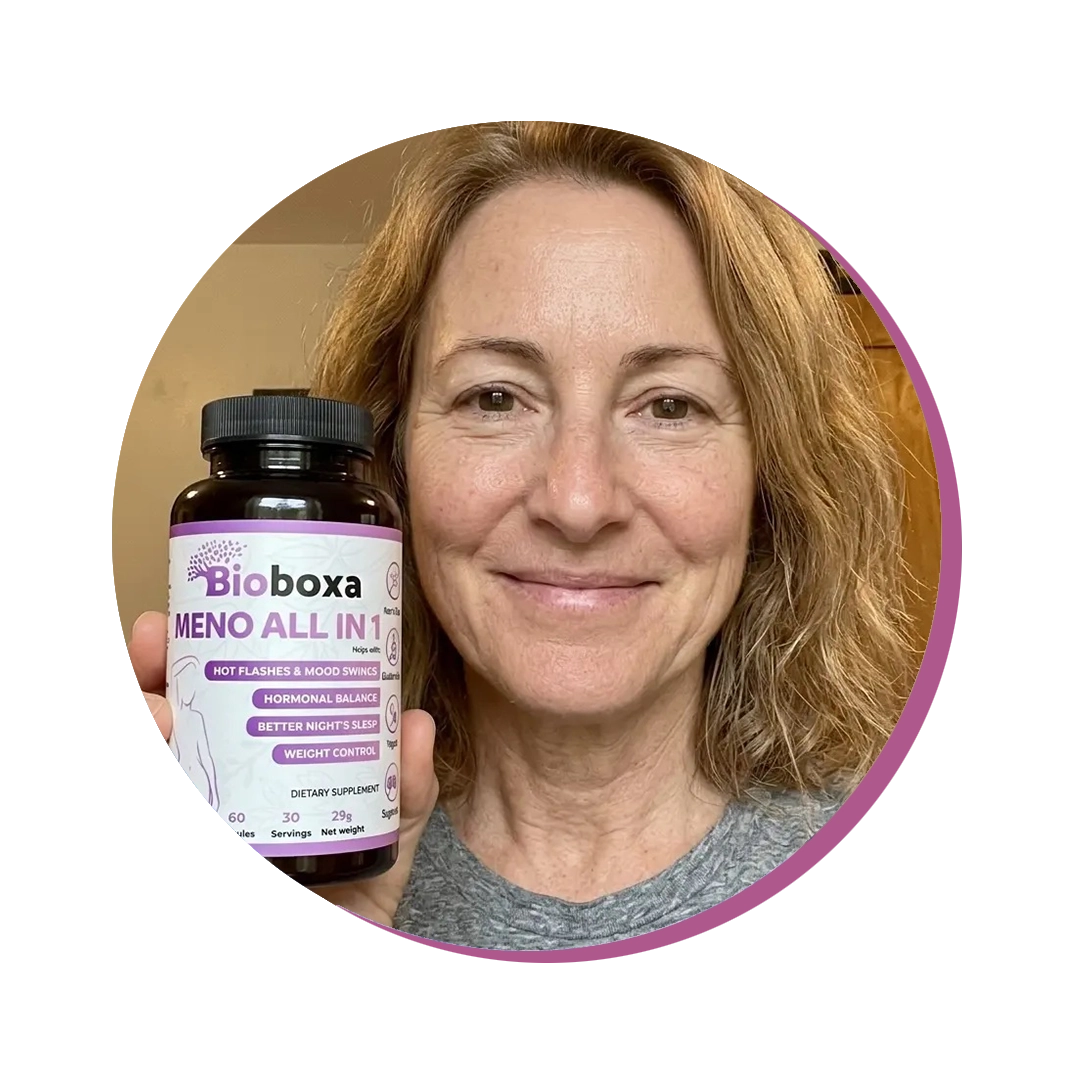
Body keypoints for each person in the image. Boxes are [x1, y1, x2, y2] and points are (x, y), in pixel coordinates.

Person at [130, 121, 915, 951]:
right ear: (390, 462)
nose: (578, 502)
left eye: (670, 405)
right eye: (495, 399)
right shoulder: (262, 847)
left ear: (772, 476)